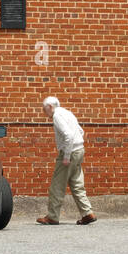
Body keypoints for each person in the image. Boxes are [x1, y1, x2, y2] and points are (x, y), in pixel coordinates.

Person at [37, 96, 96, 225]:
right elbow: (80, 131)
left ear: (50, 107)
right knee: (77, 184)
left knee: (57, 185)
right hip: (80, 150)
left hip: (70, 152)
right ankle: (87, 213)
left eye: (44, 109)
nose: (44, 112)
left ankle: (52, 216)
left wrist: (67, 156)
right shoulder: (67, 113)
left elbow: (68, 135)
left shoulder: (57, 116)